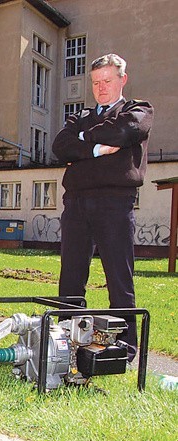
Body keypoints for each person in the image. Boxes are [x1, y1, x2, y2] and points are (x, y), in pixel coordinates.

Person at [52, 53, 154, 363]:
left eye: (107, 81)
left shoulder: (139, 110)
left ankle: (125, 349)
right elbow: (60, 146)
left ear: (123, 79)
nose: (101, 88)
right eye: (96, 83)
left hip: (114, 203)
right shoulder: (79, 116)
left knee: (119, 277)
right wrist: (97, 147)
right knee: (71, 276)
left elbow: (124, 132)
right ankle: (65, 343)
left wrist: (83, 142)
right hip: (76, 203)